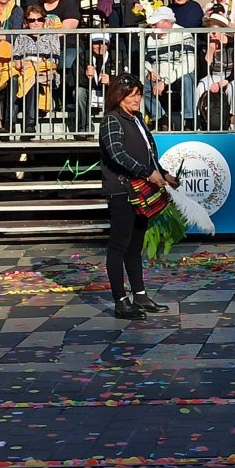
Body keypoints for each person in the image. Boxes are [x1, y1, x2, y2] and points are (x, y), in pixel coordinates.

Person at [98, 74, 178, 321]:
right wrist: (147, 172)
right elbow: (117, 154)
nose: (136, 100)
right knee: (119, 246)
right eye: (131, 95)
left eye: (138, 95)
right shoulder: (112, 120)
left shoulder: (138, 121)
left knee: (135, 246)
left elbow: (149, 155)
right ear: (119, 96)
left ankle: (140, 294)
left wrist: (163, 174)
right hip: (122, 190)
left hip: (141, 190)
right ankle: (121, 301)